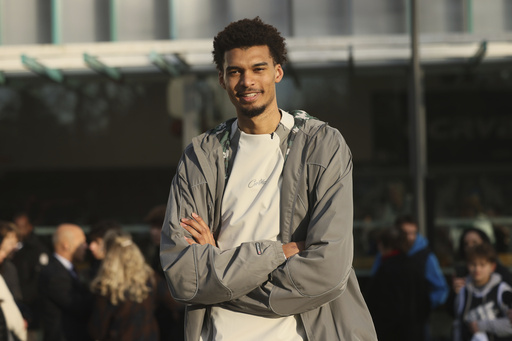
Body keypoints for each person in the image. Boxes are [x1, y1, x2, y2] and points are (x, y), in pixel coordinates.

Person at [160, 17, 376, 341]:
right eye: (235, 71)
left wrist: (220, 274)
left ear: (277, 72)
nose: (247, 81)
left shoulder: (321, 145)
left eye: (258, 68)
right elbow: (183, 276)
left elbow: (328, 272)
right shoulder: (200, 157)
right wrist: (277, 252)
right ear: (222, 78)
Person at [371, 214, 449, 337]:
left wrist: (422, 307)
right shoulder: (384, 257)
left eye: (413, 233)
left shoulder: (426, 257)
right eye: (404, 233)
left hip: (416, 325)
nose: (409, 237)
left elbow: (440, 289)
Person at [88, 230, 160, 341]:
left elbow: (97, 330)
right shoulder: (150, 278)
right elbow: (175, 304)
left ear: (109, 256)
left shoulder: (105, 287)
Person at [365, 227, 426, 341]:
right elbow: (424, 302)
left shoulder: (386, 269)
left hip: (391, 333)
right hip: (414, 332)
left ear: (383, 244)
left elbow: (376, 303)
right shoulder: (414, 266)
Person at [38, 224, 92, 341]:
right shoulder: (54, 274)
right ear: (66, 245)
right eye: (82, 242)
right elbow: (77, 305)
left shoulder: (68, 270)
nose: (86, 246)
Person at [453, 243, 512, 341]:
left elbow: (510, 326)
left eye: (482, 264)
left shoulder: (502, 290)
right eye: (473, 264)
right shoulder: (463, 292)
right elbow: (458, 325)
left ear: (492, 267)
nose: (477, 269)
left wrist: (481, 325)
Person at [144, 205, 185, 341]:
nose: (153, 232)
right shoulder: (155, 252)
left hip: (178, 316)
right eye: (152, 227)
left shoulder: (178, 252)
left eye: (158, 227)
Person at [11, 212, 49, 338]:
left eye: (21, 226)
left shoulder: (37, 249)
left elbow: (39, 281)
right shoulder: (15, 248)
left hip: (32, 309)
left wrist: (23, 300)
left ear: (29, 227)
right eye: (16, 226)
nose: (18, 230)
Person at [453, 227, 512, 296]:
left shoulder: (502, 277)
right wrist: (457, 294)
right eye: (466, 244)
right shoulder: (462, 274)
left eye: (474, 242)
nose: (470, 246)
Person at [0, 221, 27, 341]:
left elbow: (16, 297)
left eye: (16, 243)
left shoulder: (10, 268)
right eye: (11, 243)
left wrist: (22, 316)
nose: (14, 247)